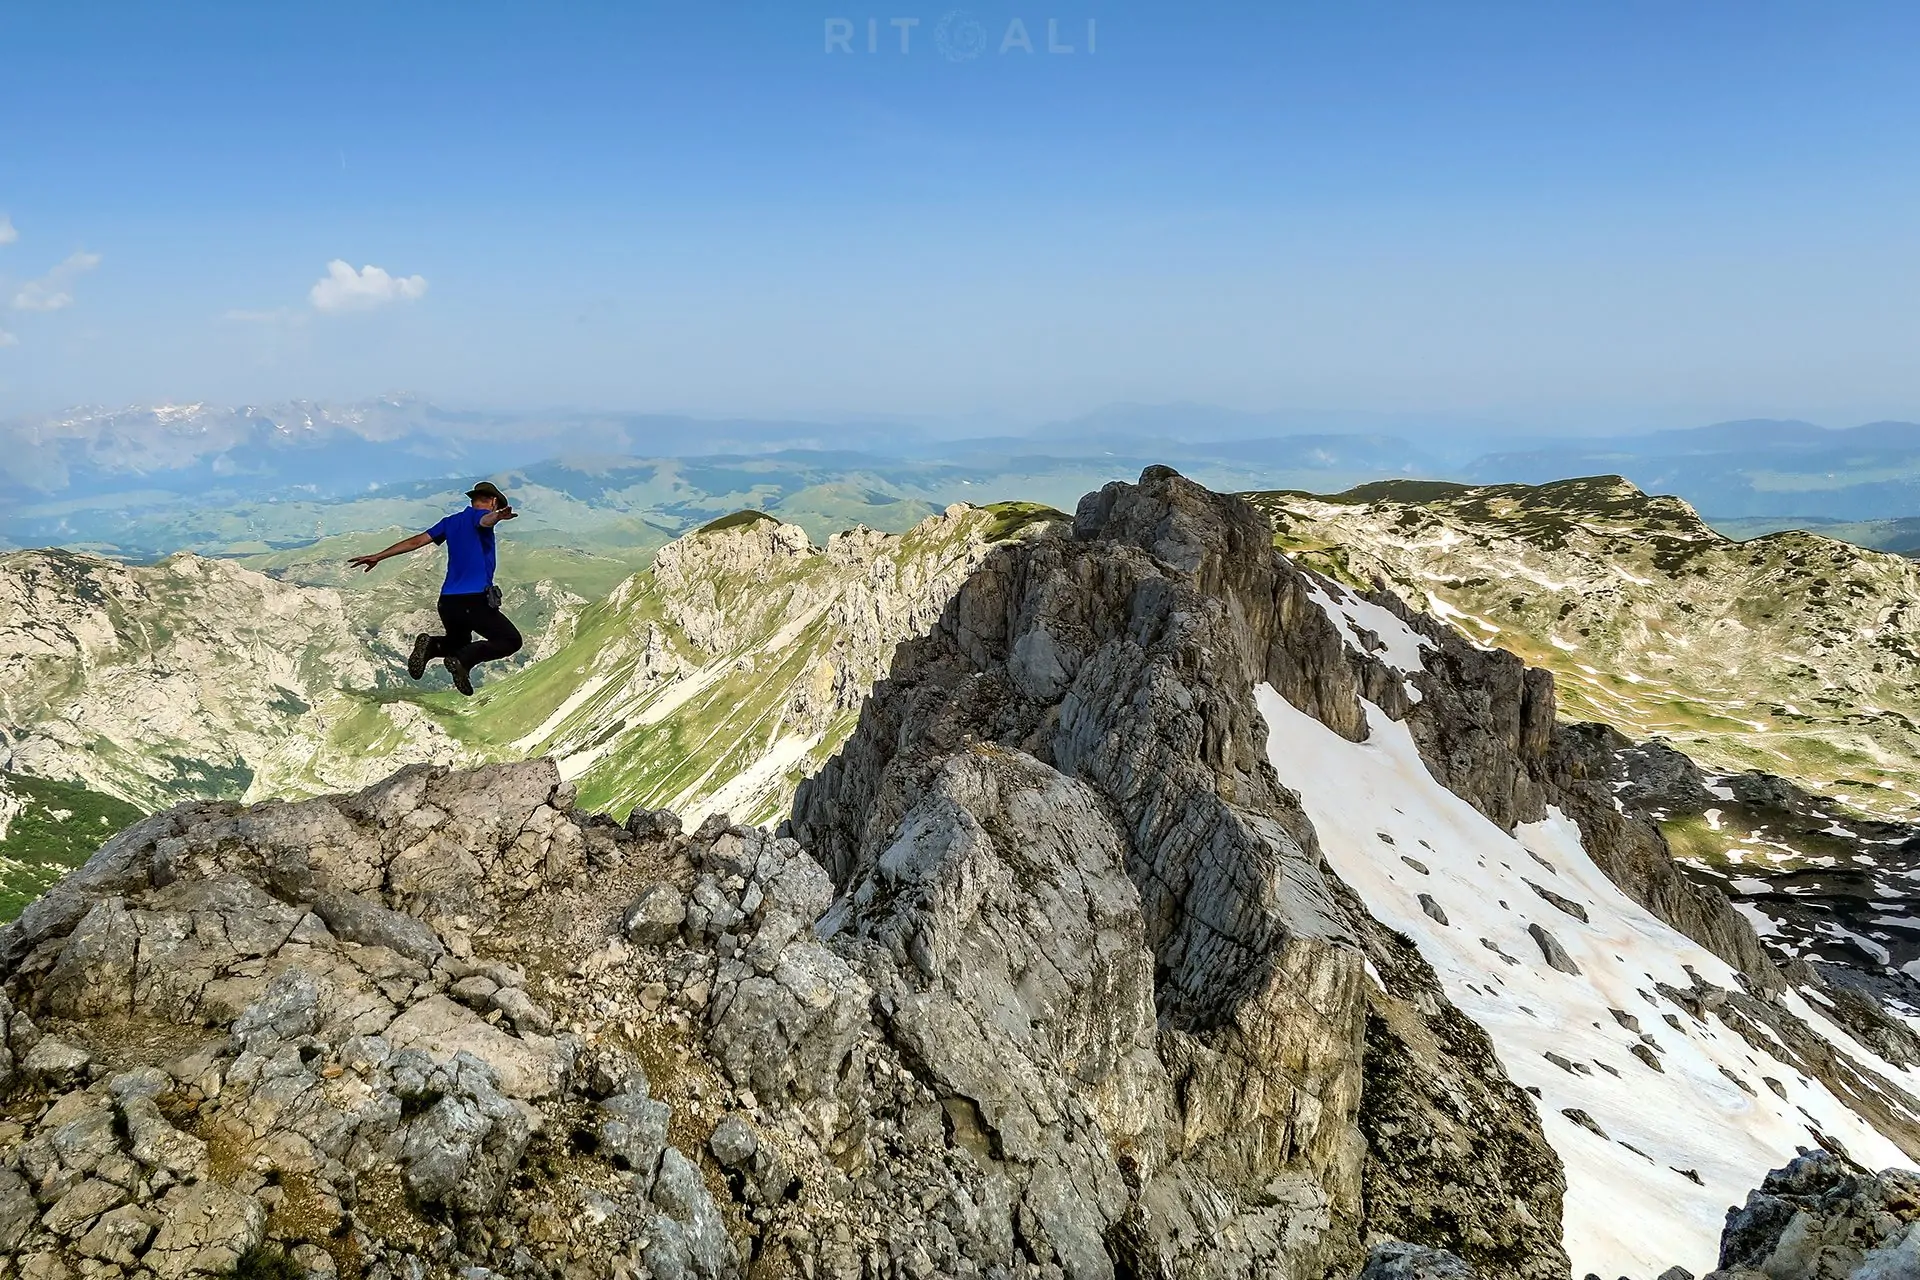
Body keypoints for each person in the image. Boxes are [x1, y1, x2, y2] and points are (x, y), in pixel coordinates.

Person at [349, 480, 523, 696]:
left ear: (473, 499)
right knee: (510, 640)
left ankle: (432, 646)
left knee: (459, 640)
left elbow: (416, 542)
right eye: (496, 507)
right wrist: (497, 517)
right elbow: (485, 521)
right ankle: (462, 661)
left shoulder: (450, 522)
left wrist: (379, 556)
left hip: (448, 602)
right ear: (494, 501)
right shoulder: (481, 517)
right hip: (473, 600)